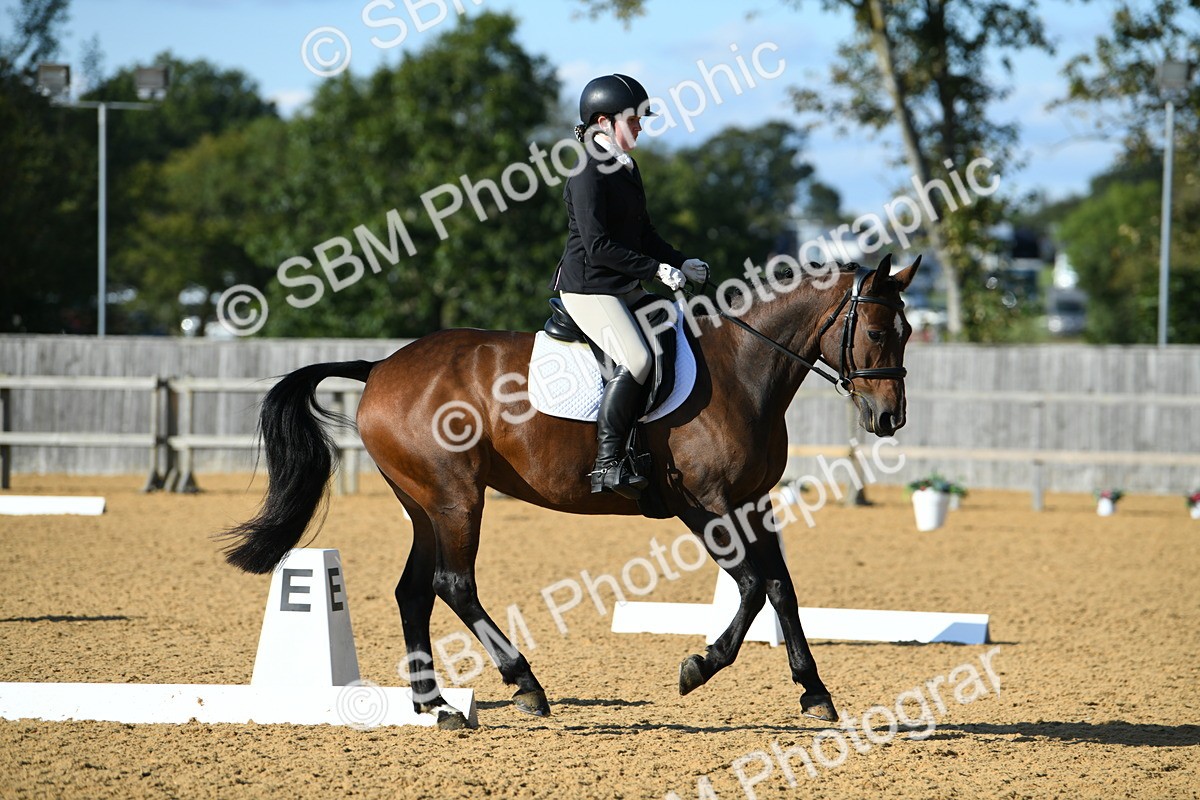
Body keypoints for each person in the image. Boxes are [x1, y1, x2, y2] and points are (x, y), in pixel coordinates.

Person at [549, 74, 709, 499]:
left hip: (619, 284)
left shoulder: (625, 166)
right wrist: (656, 270)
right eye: (634, 119)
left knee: (674, 327)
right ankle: (608, 462)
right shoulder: (587, 171)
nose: (640, 125)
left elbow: (644, 233)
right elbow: (599, 246)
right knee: (637, 358)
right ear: (604, 121)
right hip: (590, 288)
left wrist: (679, 261)